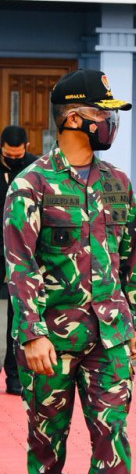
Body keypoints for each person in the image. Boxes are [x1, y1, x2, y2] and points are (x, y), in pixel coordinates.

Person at [3, 69, 136, 474]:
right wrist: (31, 333)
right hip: (51, 342)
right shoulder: (31, 184)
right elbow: (20, 264)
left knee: (113, 439)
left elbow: (131, 259)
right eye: (104, 114)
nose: (110, 124)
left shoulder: (118, 183)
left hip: (110, 338)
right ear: (73, 119)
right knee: (47, 446)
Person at [0, 125, 37, 396]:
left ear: (26, 146)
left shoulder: (34, 170)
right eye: (8, 155)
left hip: (22, 251)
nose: (14, 158)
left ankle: (15, 376)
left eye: (18, 154)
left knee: (20, 315)